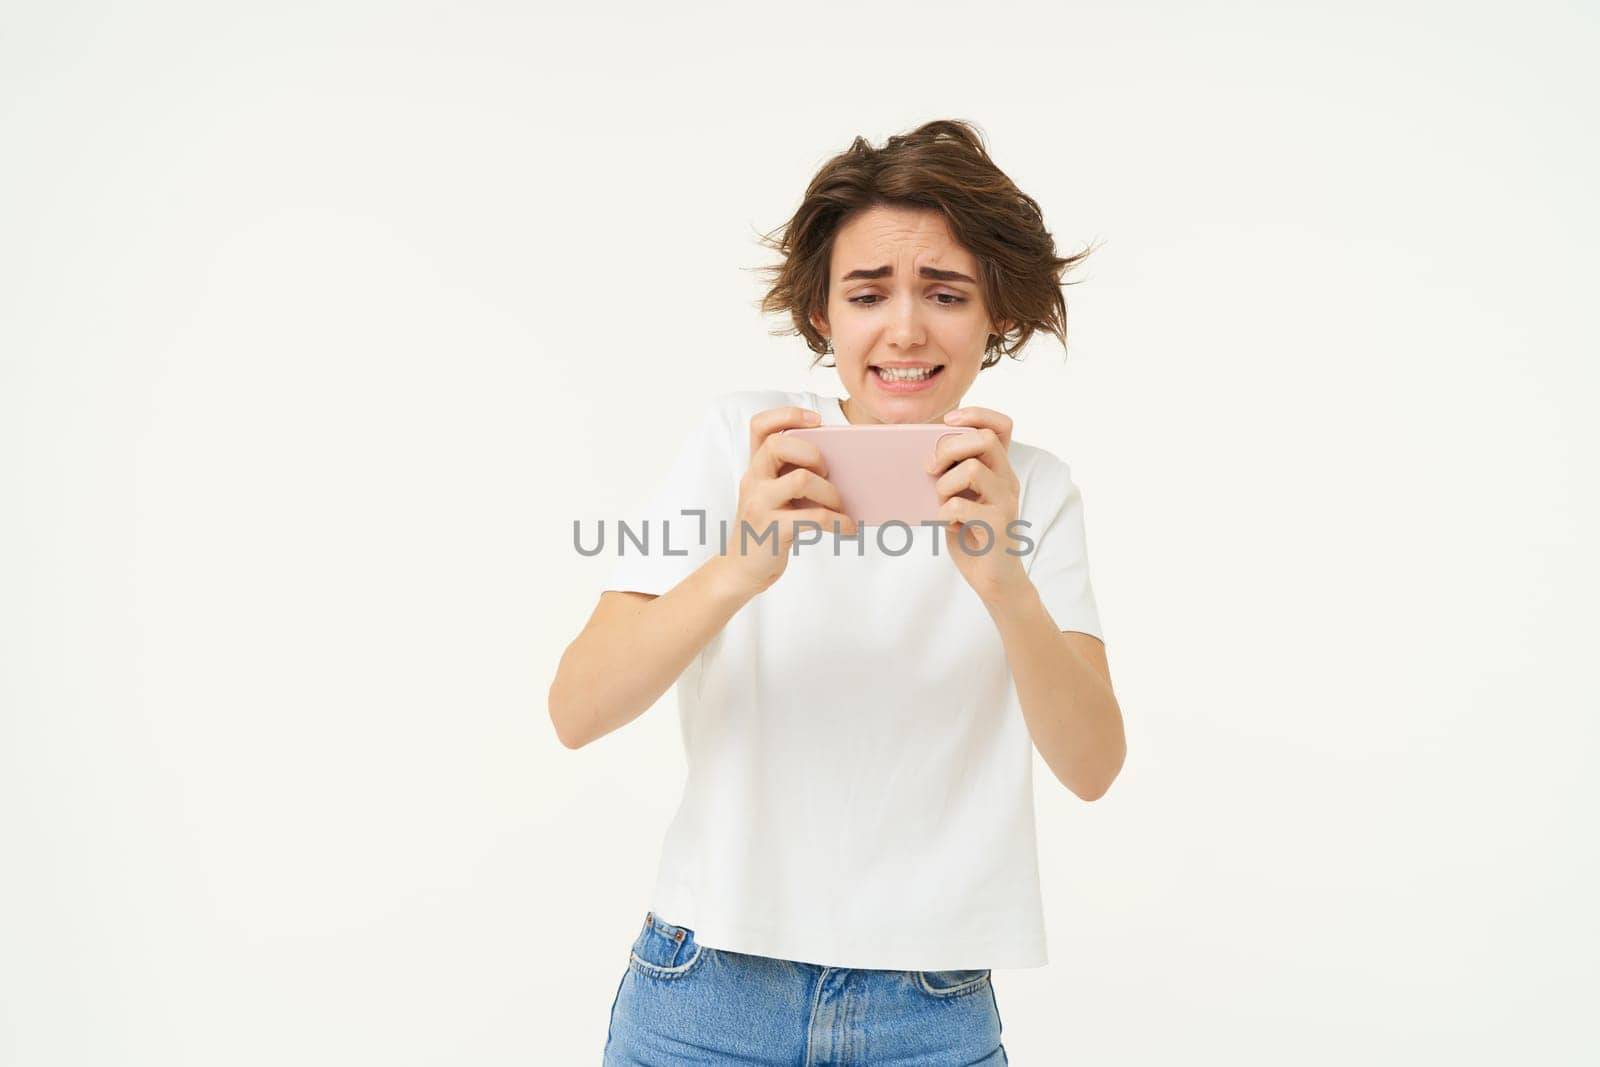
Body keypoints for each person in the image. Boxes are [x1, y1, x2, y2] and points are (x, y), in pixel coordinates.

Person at [550, 119, 1125, 1066]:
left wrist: (1001, 579)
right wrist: (741, 565)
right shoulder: (747, 444)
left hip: (930, 1010)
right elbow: (575, 709)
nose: (904, 328)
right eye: (868, 293)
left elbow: (1094, 765)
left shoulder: (1035, 489)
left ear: (998, 318)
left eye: (945, 293)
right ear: (823, 316)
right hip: (707, 993)